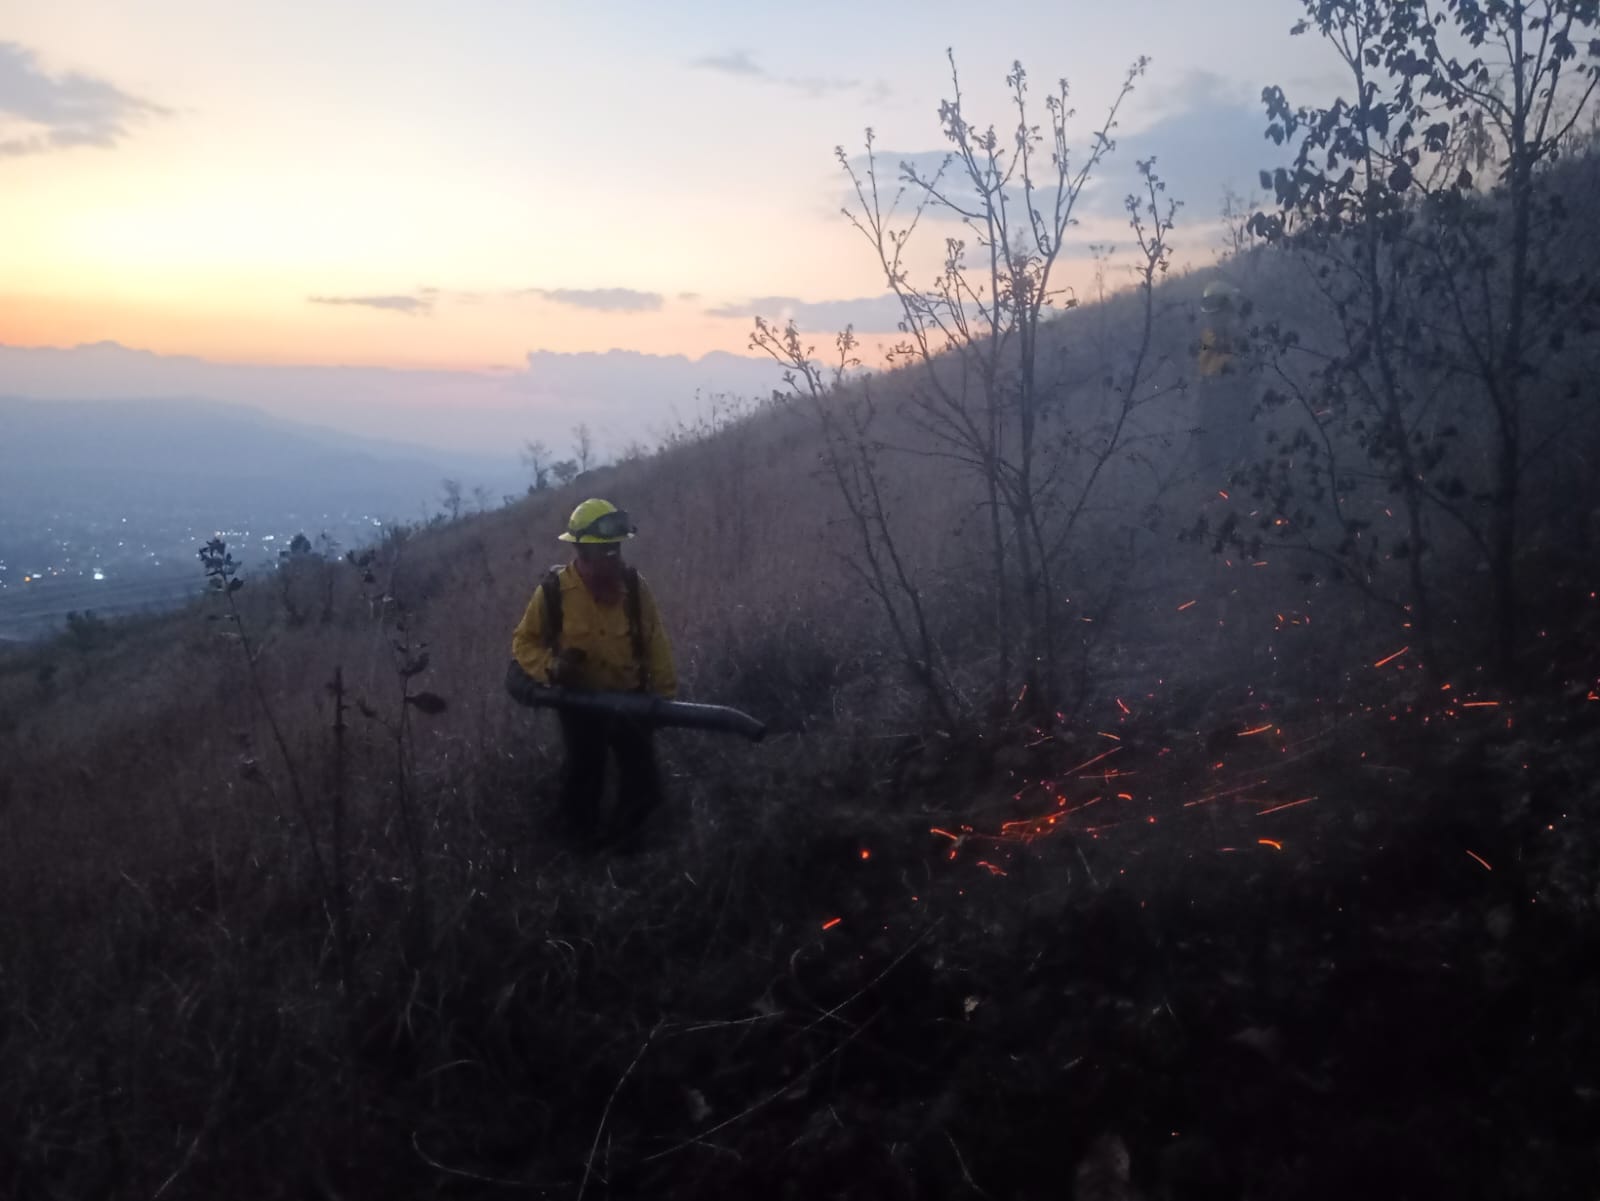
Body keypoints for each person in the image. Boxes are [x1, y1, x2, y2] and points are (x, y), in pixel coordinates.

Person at [509, 498, 677, 848]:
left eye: (616, 548)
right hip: (580, 704)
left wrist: (664, 699)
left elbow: (655, 640)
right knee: (583, 780)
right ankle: (580, 852)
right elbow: (524, 643)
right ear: (581, 551)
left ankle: (623, 848)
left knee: (644, 786)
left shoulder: (634, 588)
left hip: (630, 701)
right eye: (605, 551)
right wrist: (552, 668)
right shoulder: (554, 592)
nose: (613, 558)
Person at [1194, 279, 1256, 484]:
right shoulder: (1208, 337)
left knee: (1241, 443)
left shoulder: (1241, 337)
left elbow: (1246, 370)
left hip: (1235, 398)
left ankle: (1245, 480)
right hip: (1211, 399)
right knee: (1208, 445)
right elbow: (1202, 369)